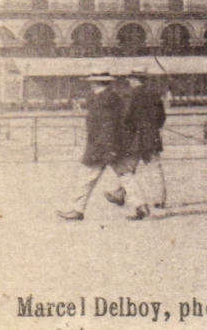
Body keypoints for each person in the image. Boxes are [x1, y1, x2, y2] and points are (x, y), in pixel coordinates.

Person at [58, 73, 142, 222]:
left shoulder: (102, 100)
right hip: (111, 145)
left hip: (101, 147)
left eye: (92, 82)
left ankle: (77, 210)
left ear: (96, 83)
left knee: (86, 177)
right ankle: (140, 206)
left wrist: (108, 147)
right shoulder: (113, 97)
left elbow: (108, 126)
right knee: (125, 175)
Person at [110, 72, 167, 212]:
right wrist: (153, 127)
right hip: (152, 136)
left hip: (135, 138)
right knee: (154, 166)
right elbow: (161, 117)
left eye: (130, 78)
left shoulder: (130, 95)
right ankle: (159, 200)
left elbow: (126, 117)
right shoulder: (154, 94)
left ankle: (119, 193)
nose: (129, 81)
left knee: (128, 167)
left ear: (134, 79)